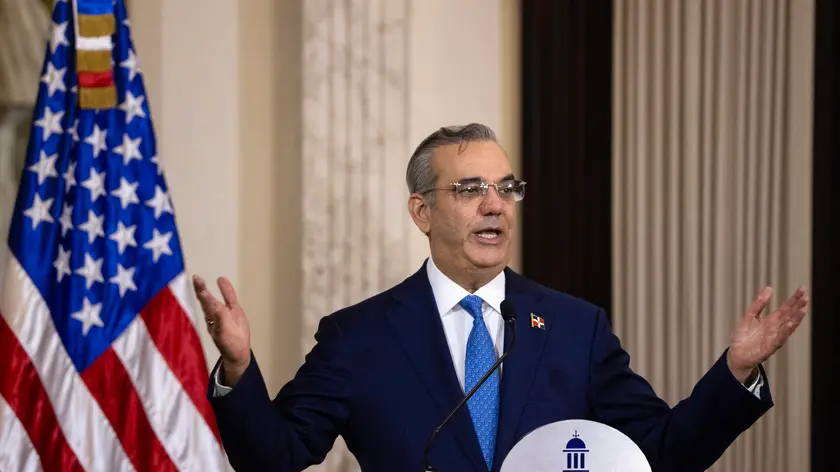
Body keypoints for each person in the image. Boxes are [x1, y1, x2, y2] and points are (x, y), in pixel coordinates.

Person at [196, 124, 808, 472]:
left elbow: (662, 454)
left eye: (506, 188)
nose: (495, 204)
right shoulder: (359, 336)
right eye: (470, 189)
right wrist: (238, 368)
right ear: (422, 212)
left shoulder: (574, 326)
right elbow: (271, 458)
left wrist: (736, 371)